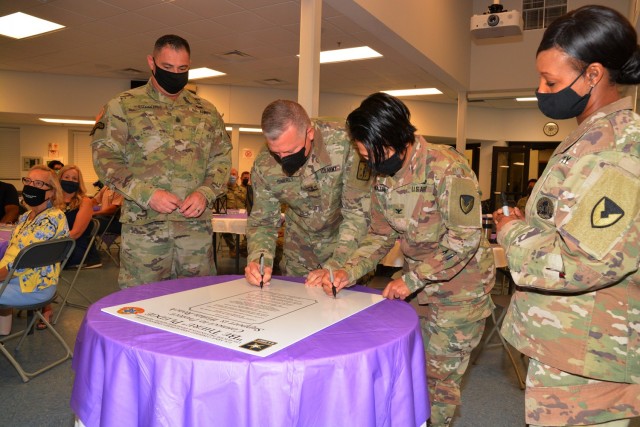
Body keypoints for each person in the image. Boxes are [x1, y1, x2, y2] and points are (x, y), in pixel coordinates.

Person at [493, 5, 640, 426]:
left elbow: (580, 263)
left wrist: (512, 230)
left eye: (551, 81)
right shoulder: (589, 137)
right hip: (570, 344)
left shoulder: (614, 149)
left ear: (593, 74)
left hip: (589, 356)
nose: (541, 89)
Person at [327, 93, 495, 427]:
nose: (368, 161)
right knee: (411, 366)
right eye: (362, 153)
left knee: (439, 380)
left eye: (371, 152)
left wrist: (412, 280)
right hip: (417, 290)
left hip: (460, 293)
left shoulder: (447, 168)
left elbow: (465, 239)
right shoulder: (384, 176)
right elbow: (378, 234)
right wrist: (348, 270)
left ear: (394, 140)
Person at [91, 34, 232, 288]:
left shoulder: (207, 112)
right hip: (145, 231)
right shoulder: (122, 106)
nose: (175, 74)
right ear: (151, 62)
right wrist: (146, 193)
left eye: (183, 69)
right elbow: (105, 160)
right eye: (168, 67)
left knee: (197, 303)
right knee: (141, 305)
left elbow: (221, 159)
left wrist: (205, 192)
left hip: (195, 232)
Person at [244, 99, 372, 287]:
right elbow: (263, 222)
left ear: (309, 133)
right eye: (277, 153)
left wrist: (336, 265)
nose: (283, 160)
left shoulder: (347, 144)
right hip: (298, 252)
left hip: (345, 248)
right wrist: (258, 260)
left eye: (290, 151)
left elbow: (357, 215)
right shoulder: (265, 163)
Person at [0, 166, 68, 334]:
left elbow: (19, 264)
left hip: (33, 287)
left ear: (51, 192)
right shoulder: (25, 217)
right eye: (28, 181)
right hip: (16, 281)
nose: (31, 186)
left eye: (39, 183)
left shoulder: (53, 217)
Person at [58, 165, 101, 270]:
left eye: (74, 178)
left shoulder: (84, 202)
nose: (70, 181)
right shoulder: (54, 200)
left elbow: (76, 233)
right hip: (56, 244)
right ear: (60, 179)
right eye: (66, 177)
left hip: (74, 246)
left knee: (39, 258)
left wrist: (50, 244)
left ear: (79, 182)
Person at [222, 168, 247, 257]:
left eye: (234, 174)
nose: (232, 176)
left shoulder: (243, 189)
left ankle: (244, 247)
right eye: (230, 174)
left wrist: (236, 191)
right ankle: (232, 247)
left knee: (252, 228)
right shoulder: (223, 190)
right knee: (224, 229)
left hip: (242, 216)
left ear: (237, 177)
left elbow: (247, 201)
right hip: (228, 217)